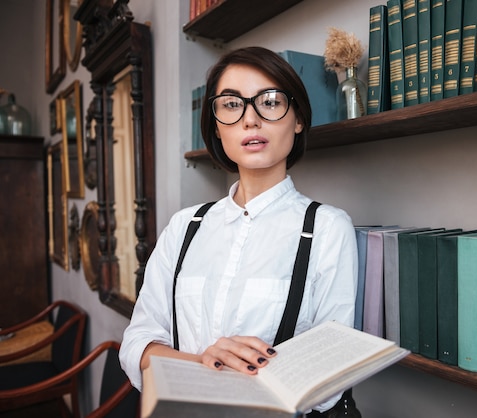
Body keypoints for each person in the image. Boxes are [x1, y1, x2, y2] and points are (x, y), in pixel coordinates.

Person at [119, 46, 358, 415]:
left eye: (271, 101)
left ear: (297, 119)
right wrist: (204, 363)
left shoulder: (327, 228)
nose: (250, 120)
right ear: (216, 125)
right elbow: (137, 343)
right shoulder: (184, 227)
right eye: (232, 105)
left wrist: (221, 370)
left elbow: (329, 381)